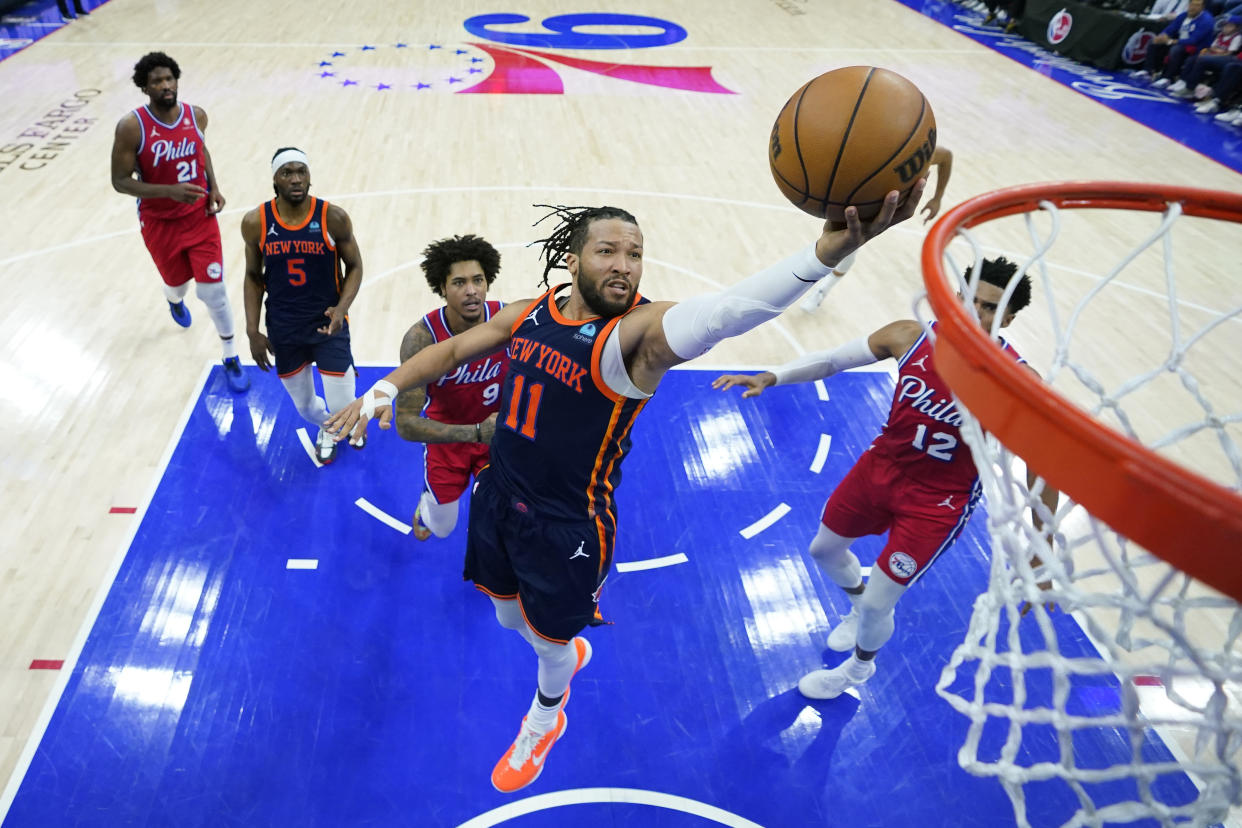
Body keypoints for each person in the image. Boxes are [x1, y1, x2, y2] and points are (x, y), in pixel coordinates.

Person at [326, 182, 928, 793]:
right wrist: (383, 387)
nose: (623, 265)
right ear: (573, 260)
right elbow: (453, 348)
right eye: (607, 251)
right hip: (499, 490)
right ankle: (555, 650)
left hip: (567, 525)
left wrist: (820, 257)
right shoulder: (537, 310)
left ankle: (545, 716)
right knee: (509, 619)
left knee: (549, 646)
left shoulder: (638, 336)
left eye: (635, 254)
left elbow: (728, 311)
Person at [713, 256, 1058, 701]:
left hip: (939, 500)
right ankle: (857, 603)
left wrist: (1042, 550)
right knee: (823, 550)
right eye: (968, 299)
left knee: (882, 602)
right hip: (881, 468)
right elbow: (833, 360)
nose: (974, 312)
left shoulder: (1020, 381)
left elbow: (1042, 465)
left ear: (1009, 317)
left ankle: (857, 670)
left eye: (989, 307)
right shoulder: (911, 336)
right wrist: (772, 375)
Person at [109, 51, 249, 392]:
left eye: (169, 78)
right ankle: (172, 298)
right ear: (145, 87)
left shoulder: (196, 115)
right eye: (157, 80)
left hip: (199, 217)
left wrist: (214, 186)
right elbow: (120, 181)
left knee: (213, 291)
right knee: (178, 283)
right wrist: (167, 191)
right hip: (159, 223)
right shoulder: (131, 127)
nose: (165, 85)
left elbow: (201, 150)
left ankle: (230, 354)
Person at [241, 148, 363, 463]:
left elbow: (356, 267)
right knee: (306, 407)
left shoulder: (333, 217)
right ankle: (328, 426)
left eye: (301, 172)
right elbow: (253, 277)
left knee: (342, 404)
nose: (296, 179)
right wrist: (252, 331)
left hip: (328, 323)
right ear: (275, 179)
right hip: (284, 328)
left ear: (309, 176)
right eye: (287, 173)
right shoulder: (256, 222)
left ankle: (335, 423)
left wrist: (341, 308)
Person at [394, 234, 507, 540]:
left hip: (499, 434)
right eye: (459, 283)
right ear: (441, 287)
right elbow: (405, 424)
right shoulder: (421, 338)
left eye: (478, 280)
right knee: (442, 528)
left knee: (507, 516)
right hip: (446, 441)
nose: (471, 291)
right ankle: (425, 507)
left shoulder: (510, 321)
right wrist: (474, 433)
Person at [800, 146, 953, 313]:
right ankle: (804, 283)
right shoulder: (866, 147)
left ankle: (822, 290)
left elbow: (946, 156)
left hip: (873, 210)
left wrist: (937, 198)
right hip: (849, 197)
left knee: (846, 251)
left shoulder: (912, 152)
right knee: (832, 248)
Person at [1132, 0, 1215, 84]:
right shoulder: (1184, 15)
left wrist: (1171, 41)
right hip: (1181, 42)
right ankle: (1148, 71)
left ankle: (1168, 77)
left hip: (1198, 47)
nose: (1193, 7)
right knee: (1154, 42)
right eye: (1191, 4)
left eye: (1197, 5)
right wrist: (1163, 35)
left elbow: (1194, 40)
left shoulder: (1207, 20)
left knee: (1176, 50)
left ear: (1202, 7)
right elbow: (1171, 28)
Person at [1170, 15, 1242, 100]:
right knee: (1193, 59)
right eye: (1226, 25)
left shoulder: (1237, 37)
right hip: (1216, 55)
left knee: (1203, 60)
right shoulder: (1220, 35)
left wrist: (1215, 53)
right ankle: (1183, 81)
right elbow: (1212, 47)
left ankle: (1191, 89)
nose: (1226, 27)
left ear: (1237, 28)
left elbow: (1229, 53)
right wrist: (1210, 52)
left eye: (1230, 26)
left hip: (1226, 58)